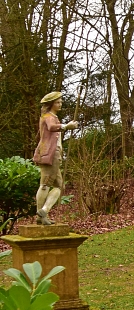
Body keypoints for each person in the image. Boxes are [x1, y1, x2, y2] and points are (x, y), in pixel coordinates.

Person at [32, 91, 79, 225]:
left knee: (59, 186)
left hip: (55, 155)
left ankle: (44, 211)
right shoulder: (48, 116)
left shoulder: (54, 116)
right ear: (51, 104)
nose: (60, 104)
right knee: (45, 184)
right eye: (58, 102)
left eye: (61, 102)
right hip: (49, 155)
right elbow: (51, 127)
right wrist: (66, 126)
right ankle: (40, 214)